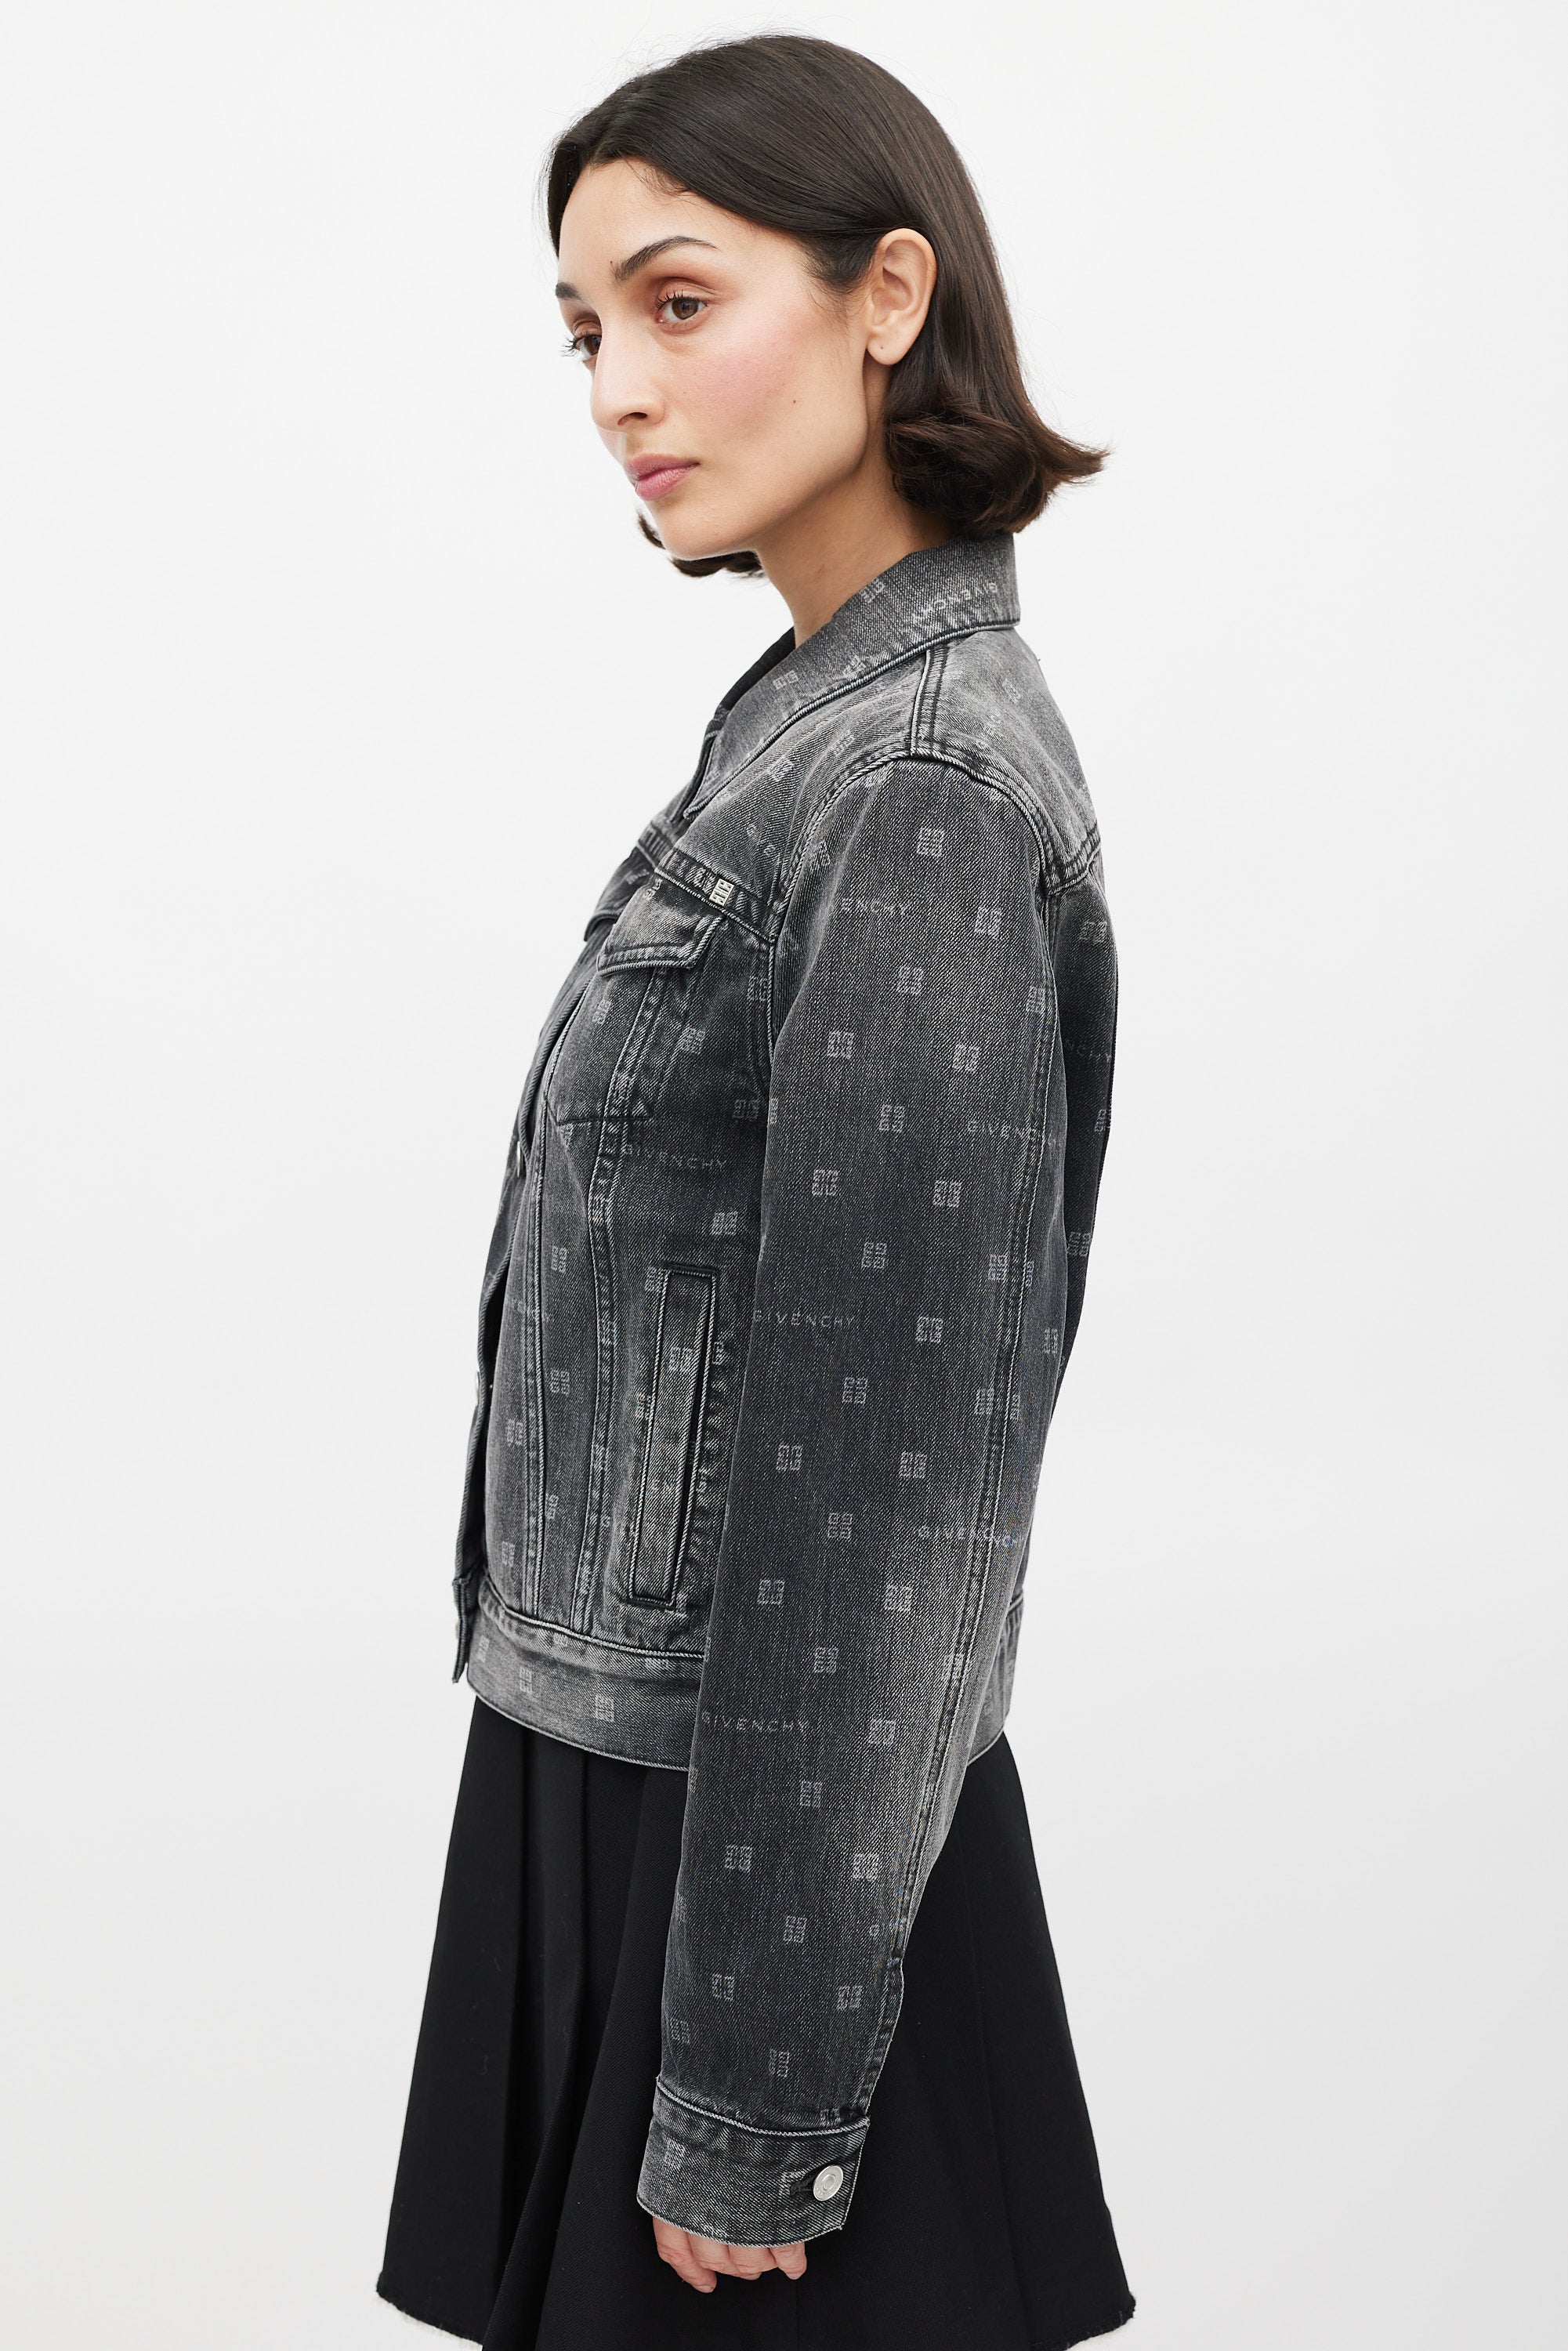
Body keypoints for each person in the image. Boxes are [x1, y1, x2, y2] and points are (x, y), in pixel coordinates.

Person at [377, 31, 1135, 2350]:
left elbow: (881, 1497)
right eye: (584, 330)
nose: (619, 385)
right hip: (646, 1793)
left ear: (889, 294)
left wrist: (753, 2093)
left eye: (680, 301)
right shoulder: (804, 723)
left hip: (750, 1852)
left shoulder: (913, 788)